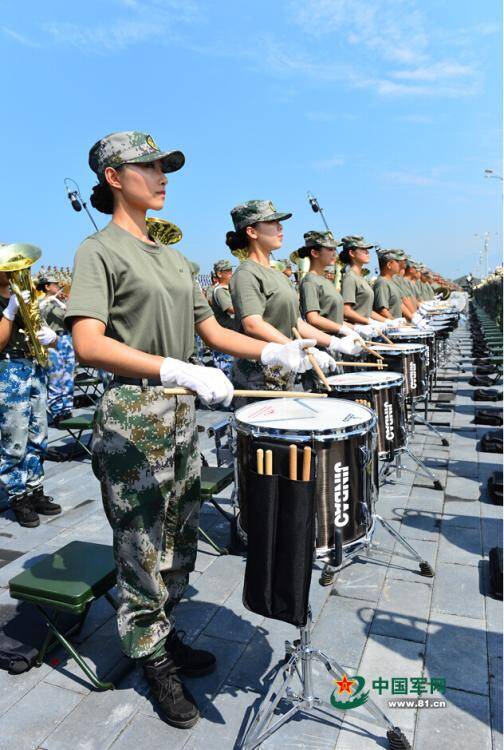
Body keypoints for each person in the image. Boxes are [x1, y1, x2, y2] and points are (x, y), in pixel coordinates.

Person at [65, 131, 319, 730]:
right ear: (112, 177)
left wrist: (281, 353)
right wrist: (170, 367)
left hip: (180, 416)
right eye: (148, 167)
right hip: (134, 412)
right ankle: (148, 655)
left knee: (177, 537)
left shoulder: (176, 258)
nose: (162, 176)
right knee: (141, 543)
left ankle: (164, 631)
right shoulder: (96, 251)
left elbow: (212, 331)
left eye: (164, 167)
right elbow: (86, 342)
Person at [227, 201, 359, 396]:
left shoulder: (278, 275)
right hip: (258, 374)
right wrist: (293, 348)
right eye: (272, 222)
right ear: (252, 232)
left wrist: (333, 342)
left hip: (284, 369)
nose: (280, 227)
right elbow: (253, 324)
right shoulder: (246, 273)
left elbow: (296, 323)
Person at [0, 268, 61, 527]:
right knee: (14, 438)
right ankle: (17, 496)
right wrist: (9, 312)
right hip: (8, 369)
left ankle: (35, 489)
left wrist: (52, 338)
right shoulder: (9, 303)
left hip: (34, 367)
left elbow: (48, 338)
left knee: (38, 434)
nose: (14, 272)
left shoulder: (25, 297)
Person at [298, 231, 359, 339]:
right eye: (330, 249)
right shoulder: (310, 281)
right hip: (323, 345)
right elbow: (313, 319)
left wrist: (355, 329)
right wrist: (342, 329)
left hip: (337, 343)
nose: (335, 253)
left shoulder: (325, 281)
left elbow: (334, 320)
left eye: (334, 249)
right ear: (315, 253)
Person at [339, 236, 399, 332]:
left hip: (368, 331)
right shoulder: (350, 277)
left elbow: (366, 311)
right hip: (357, 332)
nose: (368, 253)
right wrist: (369, 322)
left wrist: (387, 321)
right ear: (351, 253)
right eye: (363, 250)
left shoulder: (360, 277)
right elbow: (346, 311)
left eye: (367, 250)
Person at [38, 275, 75, 425]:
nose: (58, 286)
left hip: (66, 338)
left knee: (68, 375)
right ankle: (56, 411)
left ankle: (67, 409)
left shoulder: (63, 302)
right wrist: (48, 301)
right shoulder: (40, 302)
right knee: (55, 376)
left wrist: (60, 302)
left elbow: (71, 317)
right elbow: (38, 317)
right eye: (55, 284)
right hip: (51, 342)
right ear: (47, 286)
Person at [208, 259, 235, 378]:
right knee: (226, 371)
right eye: (228, 271)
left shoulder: (227, 289)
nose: (231, 273)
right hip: (225, 334)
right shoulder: (220, 291)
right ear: (219, 274)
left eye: (231, 270)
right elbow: (231, 309)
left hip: (230, 333)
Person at [373, 248, 407, 320]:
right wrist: (395, 323)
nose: (399, 264)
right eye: (397, 261)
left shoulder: (390, 281)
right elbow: (382, 310)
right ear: (389, 265)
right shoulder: (382, 283)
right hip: (391, 328)